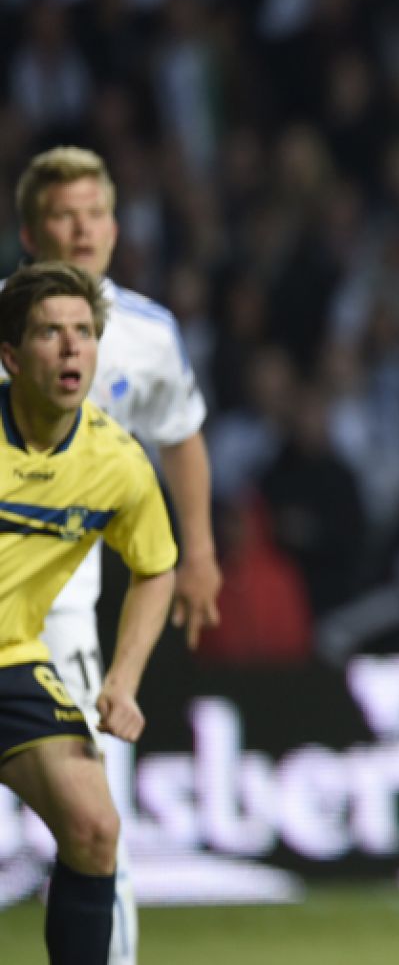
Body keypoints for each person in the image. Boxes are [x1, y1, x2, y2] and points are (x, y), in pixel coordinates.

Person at [5, 146, 223, 965]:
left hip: (57, 608)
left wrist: (197, 553)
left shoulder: (147, 336)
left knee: (98, 818)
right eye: (66, 215)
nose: (84, 229)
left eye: (95, 213)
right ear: (32, 231)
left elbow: (182, 437)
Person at [0, 261, 179, 965]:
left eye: (83, 332)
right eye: (50, 333)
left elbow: (156, 568)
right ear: (11, 356)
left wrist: (123, 679)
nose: (73, 348)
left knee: (95, 826)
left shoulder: (116, 462)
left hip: (12, 659)